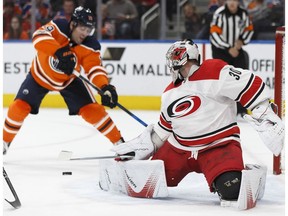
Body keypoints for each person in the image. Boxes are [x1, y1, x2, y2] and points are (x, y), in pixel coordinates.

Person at [111, 39, 284, 207]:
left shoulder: (214, 70)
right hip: (178, 150)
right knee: (142, 183)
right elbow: (162, 132)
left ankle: (251, 176)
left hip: (218, 147)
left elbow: (249, 83)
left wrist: (264, 113)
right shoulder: (169, 93)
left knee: (232, 192)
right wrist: (141, 147)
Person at [3, 6, 124, 155]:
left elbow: (94, 69)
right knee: (18, 108)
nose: (85, 33)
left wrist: (104, 86)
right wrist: (59, 51)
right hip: (39, 76)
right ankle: (4, 142)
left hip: (69, 81)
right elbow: (38, 36)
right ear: (73, 24)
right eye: (83, 28)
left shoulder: (90, 45)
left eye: (89, 30)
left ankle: (120, 144)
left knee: (93, 111)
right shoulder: (59, 26)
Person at [210, 0, 254, 115]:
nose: (232, 3)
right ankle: (219, 109)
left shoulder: (243, 13)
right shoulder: (220, 13)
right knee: (221, 80)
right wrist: (228, 48)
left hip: (236, 50)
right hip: (220, 51)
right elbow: (214, 34)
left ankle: (241, 110)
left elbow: (249, 29)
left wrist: (241, 41)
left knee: (241, 78)